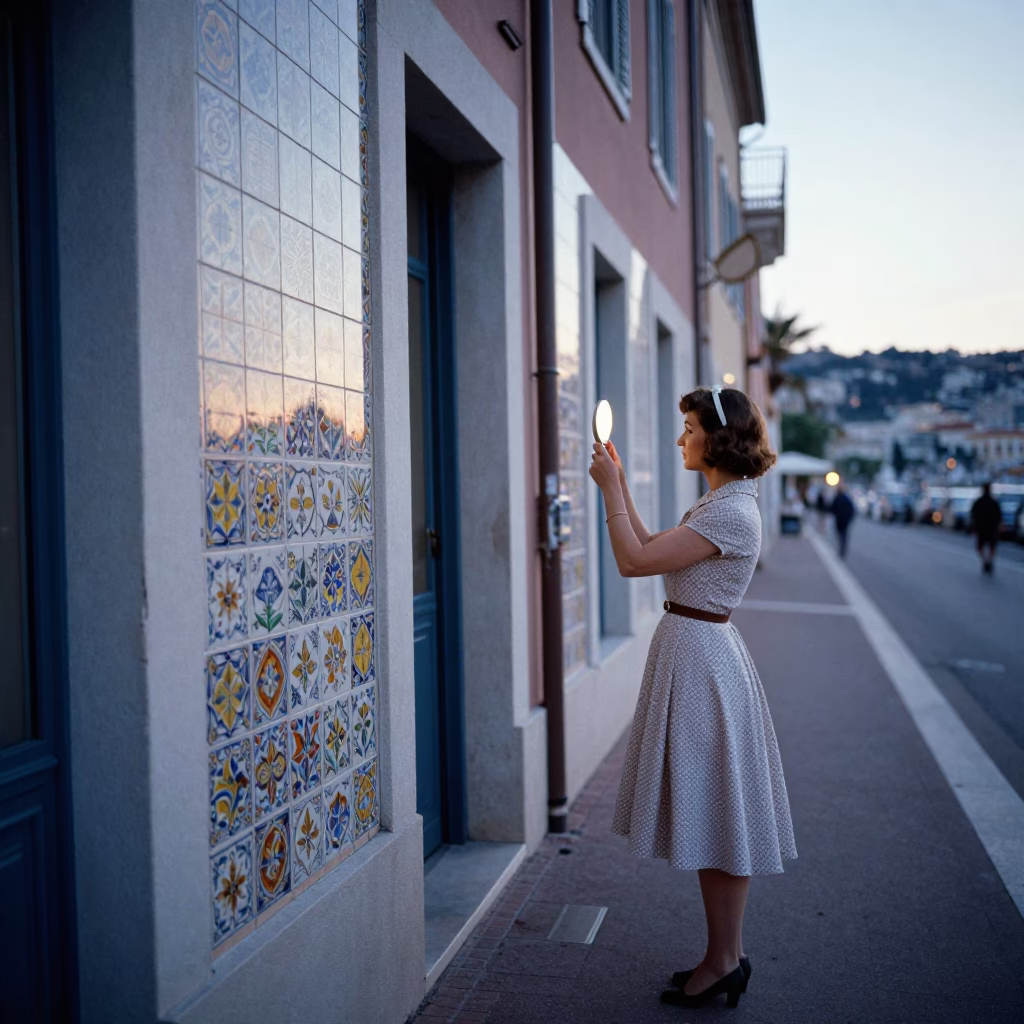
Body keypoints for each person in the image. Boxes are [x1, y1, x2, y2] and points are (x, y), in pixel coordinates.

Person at [589, 385, 797, 1011]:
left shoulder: (731, 512)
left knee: (721, 815)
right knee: (716, 813)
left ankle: (725, 959)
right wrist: (621, 485)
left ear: (717, 437)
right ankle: (722, 956)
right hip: (701, 658)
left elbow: (630, 562)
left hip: (705, 664)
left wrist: (606, 493)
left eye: (688, 428)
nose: (681, 438)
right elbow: (653, 551)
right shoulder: (721, 503)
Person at [971, 483, 1002, 575]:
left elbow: (973, 515)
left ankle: (985, 560)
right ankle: (989, 560)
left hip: (981, 528)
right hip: (992, 528)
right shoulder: (994, 502)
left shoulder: (979, 502)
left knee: (981, 546)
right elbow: (999, 516)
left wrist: (974, 526)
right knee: (992, 546)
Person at [831, 486, 855, 559]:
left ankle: (841, 550)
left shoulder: (837, 498)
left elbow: (832, 509)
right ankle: (842, 550)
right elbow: (852, 510)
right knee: (843, 536)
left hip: (839, 520)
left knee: (840, 535)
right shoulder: (846, 499)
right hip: (845, 521)